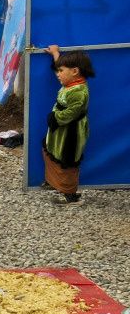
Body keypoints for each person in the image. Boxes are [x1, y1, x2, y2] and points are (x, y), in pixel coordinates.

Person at [42, 45, 95, 205]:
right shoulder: (71, 82)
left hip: (70, 133)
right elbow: (62, 68)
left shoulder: (79, 91)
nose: (57, 74)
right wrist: (56, 54)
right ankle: (55, 183)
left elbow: (73, 112)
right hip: (60, 131)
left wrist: (55, 118)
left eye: (61, 71)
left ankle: (70, 195)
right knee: (53, 153)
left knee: (67, 160)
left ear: (75, 71)